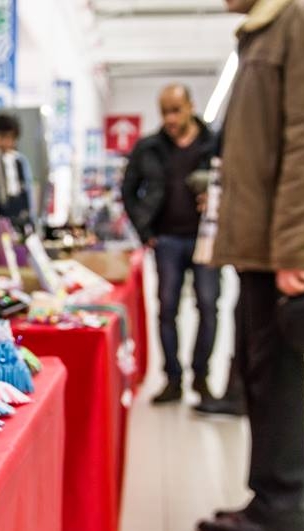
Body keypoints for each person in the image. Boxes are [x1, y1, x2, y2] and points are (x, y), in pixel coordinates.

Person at [196, 0, 304, 531]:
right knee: (261, 376)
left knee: (278, 377)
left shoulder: (297, 23)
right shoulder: (260, 34)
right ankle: (270, 496)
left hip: (276, 251)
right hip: (256, 246)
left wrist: (294, 248)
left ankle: (282, 503)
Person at [122, 85, 219, 405]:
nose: (170, 118)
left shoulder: (214, 143)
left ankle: (201, 377)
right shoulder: (149, 147)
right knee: (167, 309)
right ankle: (172, 379)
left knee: (208, 305)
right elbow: (128, 189)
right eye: (164, 111)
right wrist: (144, 229)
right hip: (166, 240)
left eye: (176, 110)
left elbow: (235, 181)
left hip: (206, 238)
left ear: (191, 106)